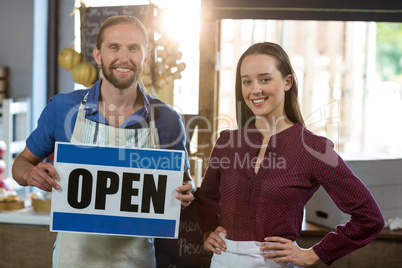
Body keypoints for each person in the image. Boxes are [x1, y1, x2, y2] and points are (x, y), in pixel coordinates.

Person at [12, 15, 194, 267]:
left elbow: (184, 183)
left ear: (145, 57)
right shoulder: (63, 108)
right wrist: (30, 174)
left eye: (133, 48)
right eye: (114, 47)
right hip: (74, 258)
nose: (124, 57)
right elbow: (20, 163)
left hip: (136, 259)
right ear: (98, 55)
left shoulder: (168, 119)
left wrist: (185, 194)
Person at [194, 42, 384, 267]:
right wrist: (207, 230)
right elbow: (206, 196)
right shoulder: (227, 142)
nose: (255, 89)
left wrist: (314, 254)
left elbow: (369, 218)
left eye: (265, 79)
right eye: (247, 81)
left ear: (287, 82)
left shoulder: (316, 149)